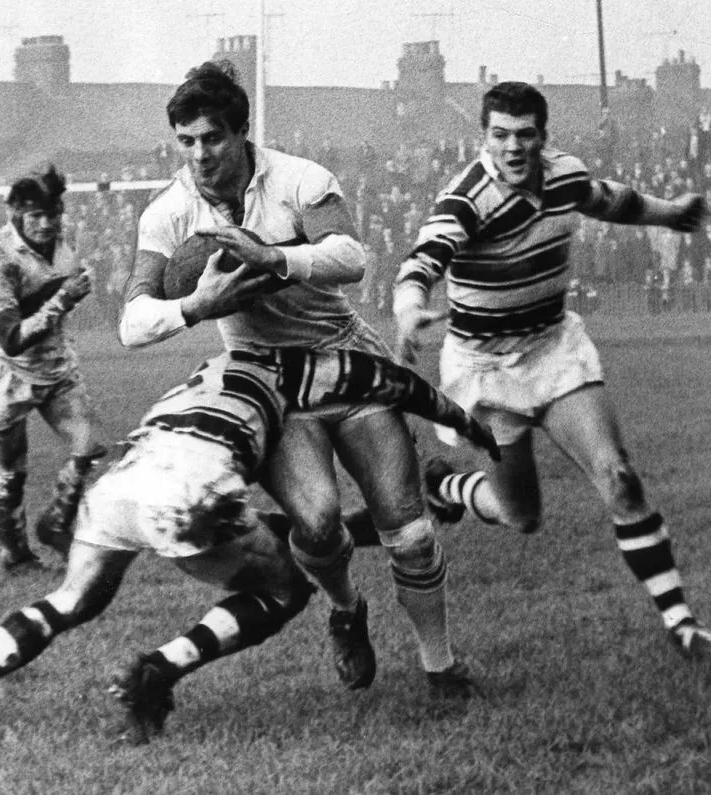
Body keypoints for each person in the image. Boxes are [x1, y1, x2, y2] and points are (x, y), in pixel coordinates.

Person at [0, 344, 499, 743]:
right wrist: (465, 422)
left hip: (123, 481)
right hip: (191, 488)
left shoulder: (206, 367)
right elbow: (393, 382)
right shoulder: (296, 367)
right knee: (285, 592)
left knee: (70, 601)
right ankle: (156, 672)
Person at [118, 61, 479, 696]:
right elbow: (132, 321)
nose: (200, 154)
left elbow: (351, 257)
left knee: (408, 529)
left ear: (242, 132)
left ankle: (440, 666)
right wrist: (195, 307)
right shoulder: (168, 213)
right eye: (187, 140)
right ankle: (345, 609)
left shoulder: (299, 178)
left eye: (213, 137)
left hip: (344, 361)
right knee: (317, 525)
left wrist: (273, 256)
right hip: (268, 383)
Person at [394, 82, 711, 663]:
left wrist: (672, 213)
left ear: (543, 138)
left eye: (525, 134)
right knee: (522, 515)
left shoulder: (564, 175)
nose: (513, 147)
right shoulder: (466, 198)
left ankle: (682, 624)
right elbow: (425, 256)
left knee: (619, 477)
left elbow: (613, 201)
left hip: (552, 349)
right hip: (487, 371)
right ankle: (447, 488)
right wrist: (408, 307)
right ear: (484, 137)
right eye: (500, 135)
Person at [0, 165, 105, 572]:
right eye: (36, 216)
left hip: (55, 363)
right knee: (13, 467)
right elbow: (11, 337)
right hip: (5, 369)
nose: (46, 224)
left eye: (53, 214)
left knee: (89, 444)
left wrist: (72, 294)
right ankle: (15, 555)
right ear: (16, 214)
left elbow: (61, 291)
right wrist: (63, 299)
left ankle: (57, 523)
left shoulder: (65, 243)